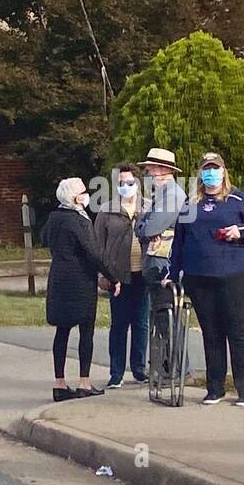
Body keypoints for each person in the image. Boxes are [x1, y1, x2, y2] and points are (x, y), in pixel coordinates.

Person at [170, 153, 244, 406]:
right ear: (200, 173)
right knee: (211, 333)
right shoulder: (191, 204)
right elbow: (179, 242)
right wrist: (172, 273)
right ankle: (215, 388)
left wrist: (240, 231)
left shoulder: (238, 199)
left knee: (237, 330)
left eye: (215, 169)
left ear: (223, 171)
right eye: (206, 169)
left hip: (235, 274)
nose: (211, 173)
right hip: (199, 276)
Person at [44, 178, 119, 400]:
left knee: (62, 330)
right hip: (80, 280)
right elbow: (94, 252)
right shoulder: (79, 221)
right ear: (76, 197)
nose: (87, 195)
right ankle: (84, 381)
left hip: (58, 277)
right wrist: (112, 276)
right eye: (84, 192)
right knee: (86, 330)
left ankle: (59, 382)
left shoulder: (54, 217)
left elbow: (44, 238)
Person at [135, 147, 188, 383]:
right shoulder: (162, 195)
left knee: (167, 319)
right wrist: (143, 225)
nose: (148, 173)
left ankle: (177, 369)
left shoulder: (172, 196)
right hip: (156, 261)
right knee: (161, 319)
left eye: (150, 169)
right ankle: (169, 368)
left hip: (163, 264)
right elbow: (143, 226)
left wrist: (143, 226)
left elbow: (149, 227)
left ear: (163, 170)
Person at [94, 163, 149, 388]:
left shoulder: (148, 207)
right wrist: (102, 275)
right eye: (120, 183)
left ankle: (139, 369)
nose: (125, 187)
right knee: (119, 324)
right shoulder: (107, 210)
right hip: (118, 277)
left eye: (129, 182)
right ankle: (116, 373)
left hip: (143, 273)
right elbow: (97, 245)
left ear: (137, 182)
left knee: (141, 323)